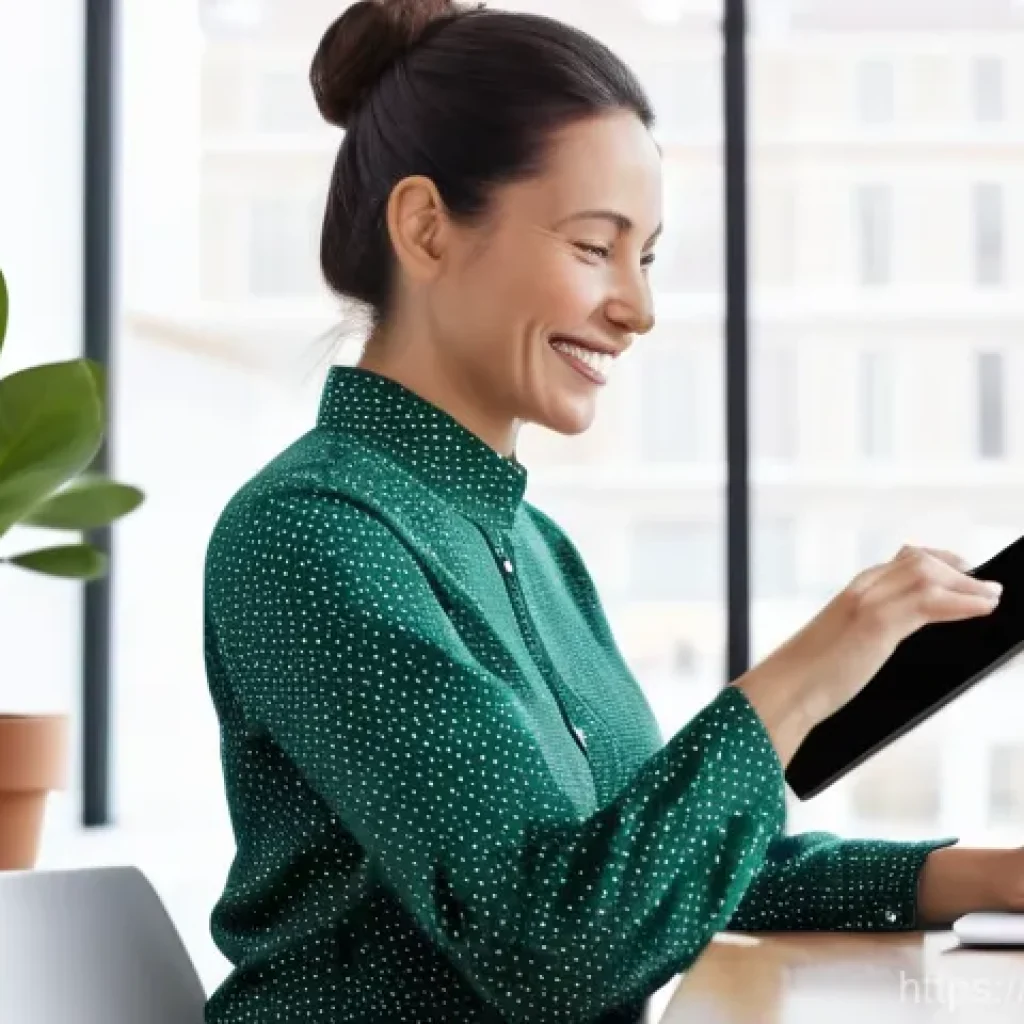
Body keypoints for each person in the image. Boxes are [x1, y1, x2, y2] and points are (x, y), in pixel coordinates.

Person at [201, 2, 1024, 1022]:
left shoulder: (532, 548)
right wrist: (802, 677)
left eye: (648, 258)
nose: (637, 307)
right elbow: (557, 949)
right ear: (423, 227)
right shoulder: (313, 534)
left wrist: (993, 875)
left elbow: (653, 873)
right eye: (596, 247)